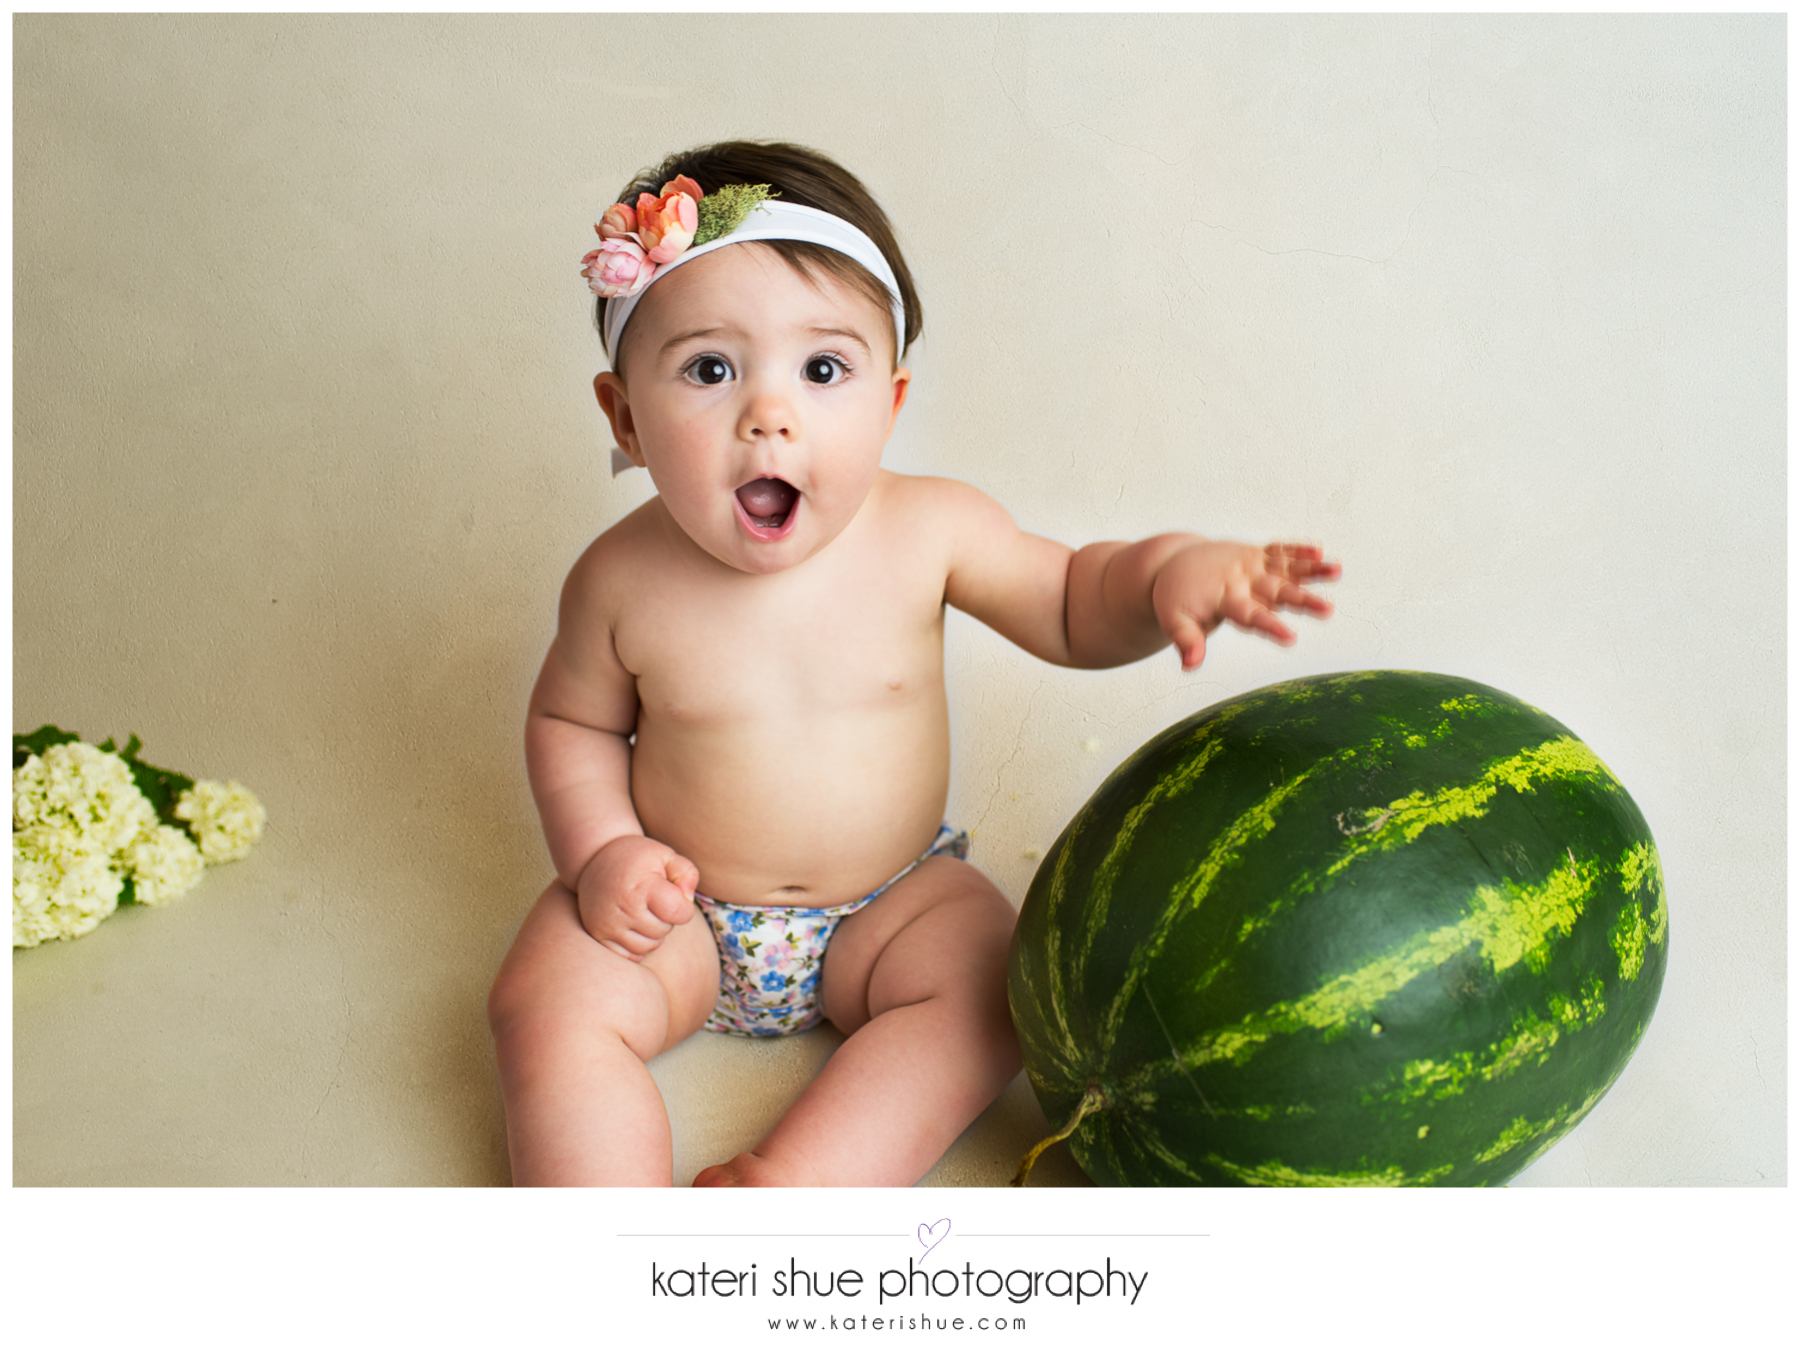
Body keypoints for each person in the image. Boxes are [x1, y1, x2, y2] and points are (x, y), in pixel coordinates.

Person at [486, 141, 1341, 1186]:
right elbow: (571, 725)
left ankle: (794, 1188)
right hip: (683, 914)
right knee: (542, 998)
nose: (770, 412)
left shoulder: (931, 530)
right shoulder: (617, 581)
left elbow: (1072, 601)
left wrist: (1165, 578)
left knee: (997, 989)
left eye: (823, 368)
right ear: (625, 415)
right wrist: (603, 852)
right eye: (710, 369)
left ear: (888, 404)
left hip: (888, 902)